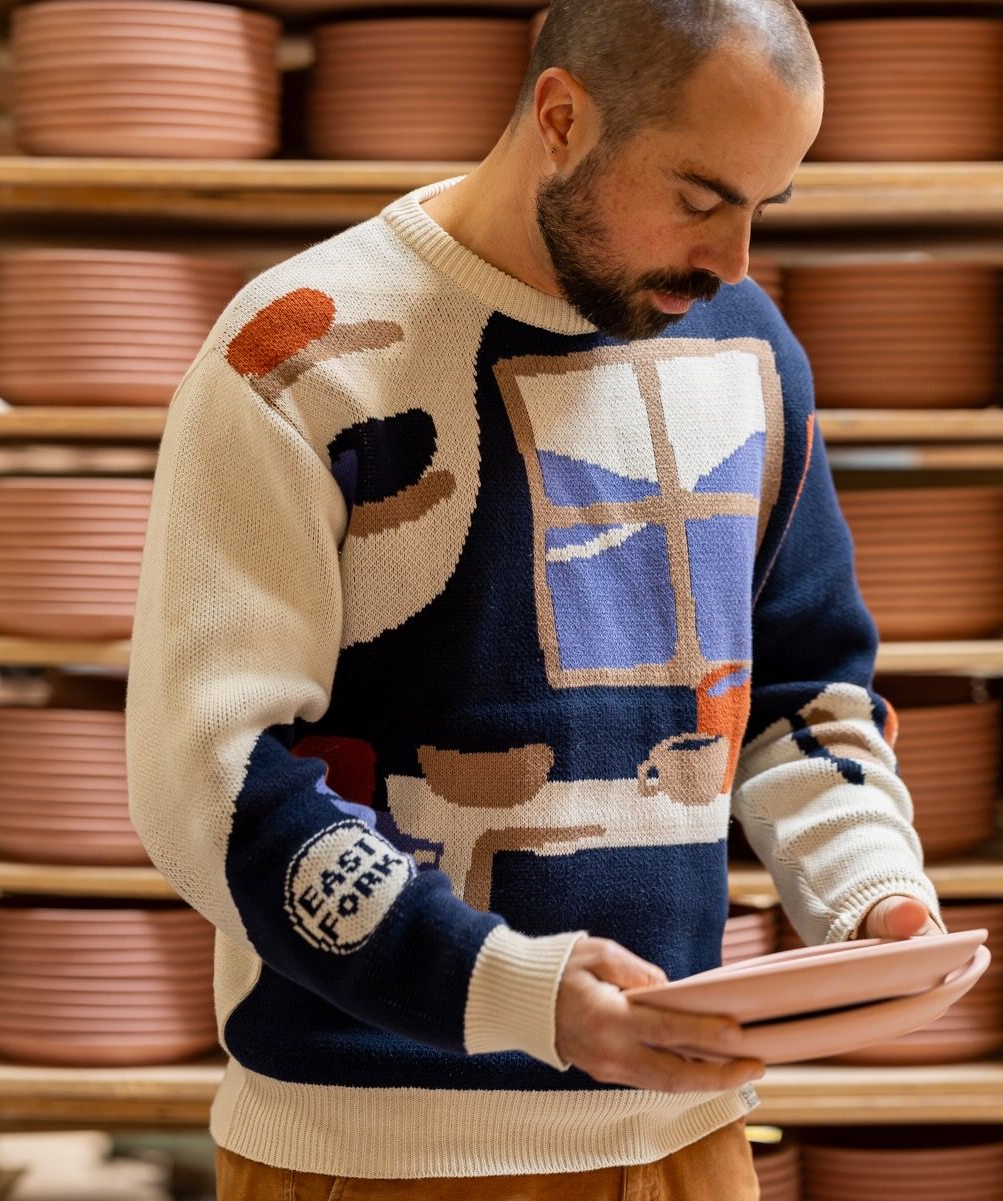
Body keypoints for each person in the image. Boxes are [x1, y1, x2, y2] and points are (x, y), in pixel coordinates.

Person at [126, 0, 946, 1196]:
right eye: (702, 196)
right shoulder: (301, 355)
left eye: (767, 207)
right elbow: (211, 777)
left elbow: (800, 689)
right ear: (561, 118)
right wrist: (506, 990)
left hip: (683, 1138)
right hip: (372, 1152)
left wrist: (874, 894)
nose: (733, 261)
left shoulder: (749, 350)